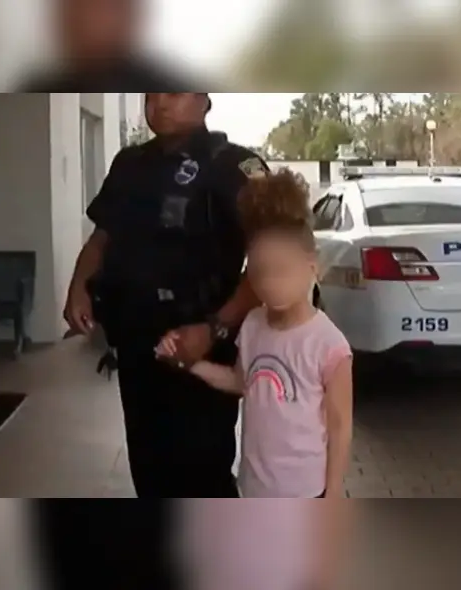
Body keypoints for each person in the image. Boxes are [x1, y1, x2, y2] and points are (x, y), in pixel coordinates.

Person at [63, 92, 268, 499]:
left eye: (172, 93)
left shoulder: (235, 167)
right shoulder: (129, 165)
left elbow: (271, 262)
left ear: (205, 100)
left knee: (201, 475)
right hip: (138, 347)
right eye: (150, 94)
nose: (159, 103)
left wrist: (213, 329)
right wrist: (78, 288)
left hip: (203, 350)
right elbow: (103, 237)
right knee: (149, 469)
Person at [155, 168, 354, 499]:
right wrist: (187, 363)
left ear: (311, 266)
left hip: (306, 492)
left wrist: (332, 493)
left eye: (281, 270)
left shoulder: (329, 345)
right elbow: (241, 381)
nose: (270, 284)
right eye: (260, 273)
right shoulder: (251, 325)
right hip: (255, 487)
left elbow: (340, 426)